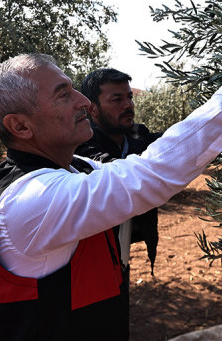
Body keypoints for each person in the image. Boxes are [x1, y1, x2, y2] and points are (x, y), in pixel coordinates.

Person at [0, 39, 222, 340]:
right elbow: (152, 173)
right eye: (62, 94)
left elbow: (151, 163)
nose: (83, 102)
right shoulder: (31, 199)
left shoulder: (75, 168)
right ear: (20, 125)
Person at [75, 68, 162, 336]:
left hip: (119, 254)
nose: (128, 106)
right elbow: (113, 173)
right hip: (87, 256)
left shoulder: (137, 136)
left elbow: (173, 145)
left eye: (129, 97)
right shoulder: (80, 142)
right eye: (116, 99)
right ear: (93, 108)